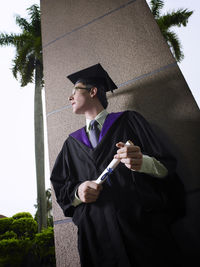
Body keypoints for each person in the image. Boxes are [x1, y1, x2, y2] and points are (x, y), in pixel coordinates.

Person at [50, 64, 183, 267]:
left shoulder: (129, 121)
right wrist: (78, 192)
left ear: (93, 91)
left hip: (141, 230)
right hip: (98, 238)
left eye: (74, 91)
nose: (69, 98)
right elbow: (61, 186)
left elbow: (167, 166)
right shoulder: (71, 143)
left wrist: (143, 163)